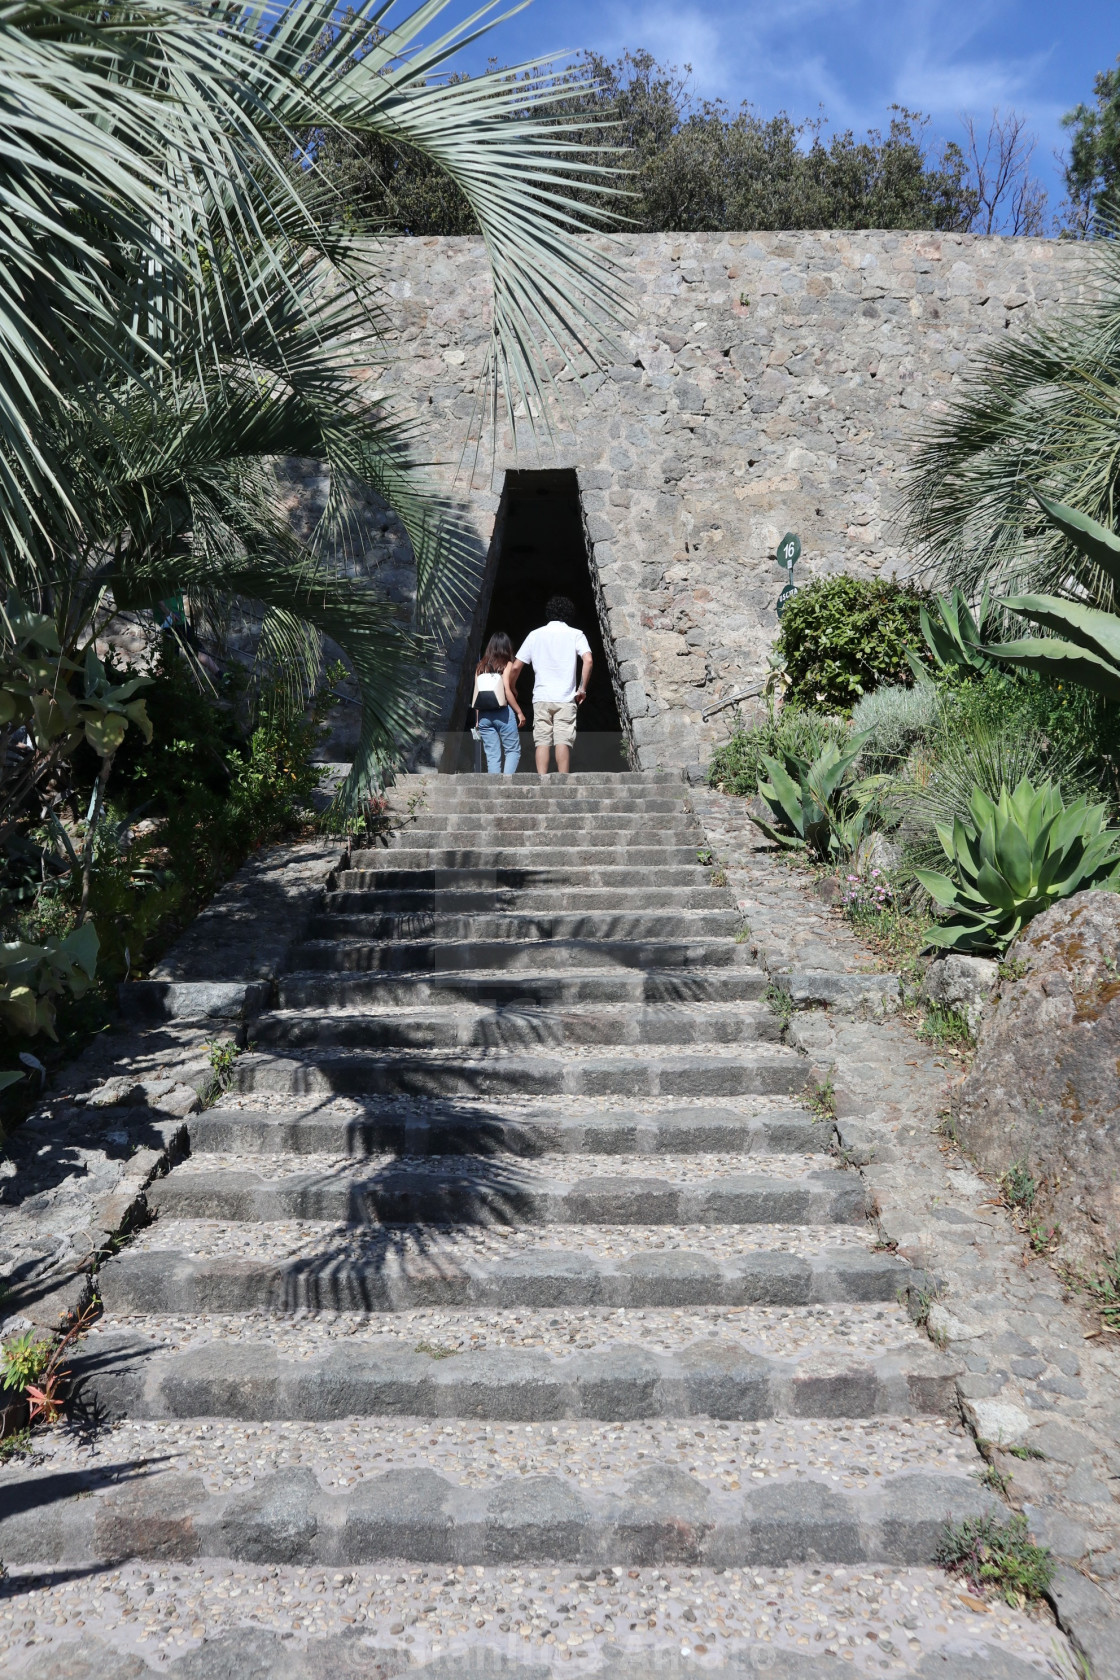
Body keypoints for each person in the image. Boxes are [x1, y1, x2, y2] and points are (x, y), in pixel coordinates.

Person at [508, 596, 592, 776]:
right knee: (563, 739)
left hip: (542, 697)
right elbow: (588, 659)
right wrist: (582, 688)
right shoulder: (576, 634)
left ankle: (542, 781)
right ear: (569, 615)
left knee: (542, 740)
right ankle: (563, 780)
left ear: (549, 614)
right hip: (566, 697)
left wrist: (512, 686)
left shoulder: (535, 635)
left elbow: (515, 666)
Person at [471, 631, 525, 775]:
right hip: (502, 713)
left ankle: (494, 789)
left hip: (483, 716)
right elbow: (507, 691)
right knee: (512, 750)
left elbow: (477, 694)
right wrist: (519, 712)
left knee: (492, 755)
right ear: (507, 647)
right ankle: (506, 785)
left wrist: (477, 720)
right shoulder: (507, 664)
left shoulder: (480, 666)